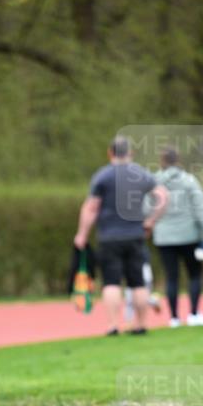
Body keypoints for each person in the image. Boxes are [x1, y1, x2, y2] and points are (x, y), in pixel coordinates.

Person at [74, 136, 167, 335]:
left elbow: (91, 207)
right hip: (135, 235)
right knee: (138, 283)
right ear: (130, 153)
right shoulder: (141, 174)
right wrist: (151, 221)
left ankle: (114, 325)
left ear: (110, 153)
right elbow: (163, 197)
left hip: (109, 236)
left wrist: (82, 234)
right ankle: (141, 324)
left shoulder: (103, 176)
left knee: (111, 282)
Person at [150, 146, 203, 327]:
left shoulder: (154, 182)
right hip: (189, 236)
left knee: (171, 277)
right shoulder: (189, 181)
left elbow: (147, 208)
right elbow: (201, 210)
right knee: (194, 275)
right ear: (178, 160)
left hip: (163, 237)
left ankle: (174, 318)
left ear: (161, 161)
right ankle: (193, 314)